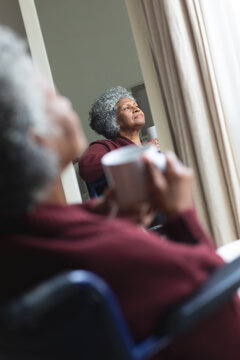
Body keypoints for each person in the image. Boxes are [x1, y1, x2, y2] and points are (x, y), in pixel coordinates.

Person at [0, 26, 240, 360]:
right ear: (37, 140)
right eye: (53, 97)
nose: (66, 99)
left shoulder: (19, 247)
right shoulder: (104, 252)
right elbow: (227, 313)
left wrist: (94, 215)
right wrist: (181, 215)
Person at [77, 86, 160, 196]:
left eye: (136, 106)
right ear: (114, 121)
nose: (137, 109)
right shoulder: (104, 146)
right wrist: (140, 153)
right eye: (127, 108)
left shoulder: (148, 146)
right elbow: (86, 168)